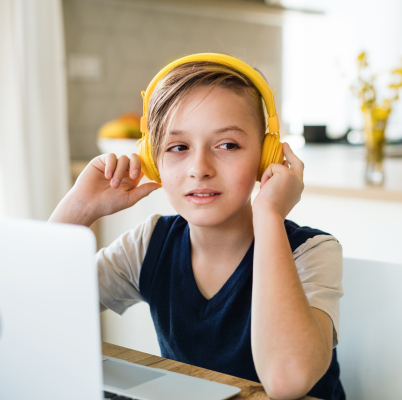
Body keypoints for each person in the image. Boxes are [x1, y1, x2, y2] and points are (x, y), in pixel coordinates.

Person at [49, 58, 345, 400]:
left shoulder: (312, 251)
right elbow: (32, 307)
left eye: (227, 145)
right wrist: (78, 209)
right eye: (178, 147)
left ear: (266, 156)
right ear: (152, 159)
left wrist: (269, 214)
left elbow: (286, 381)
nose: (199, 168)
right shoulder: (149, 245)